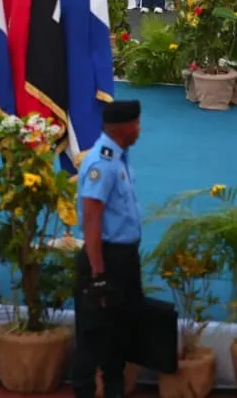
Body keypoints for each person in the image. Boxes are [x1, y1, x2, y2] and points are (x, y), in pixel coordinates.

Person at [70, 99, 144, 398]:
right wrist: (98, 274)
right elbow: (91, 219)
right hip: (104, 260)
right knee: (93, 336)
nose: (139, 129)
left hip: (123, 259)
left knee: (119, 335)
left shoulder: (119, 158)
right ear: (121, 128)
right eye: (136, 124)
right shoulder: (103, 164)